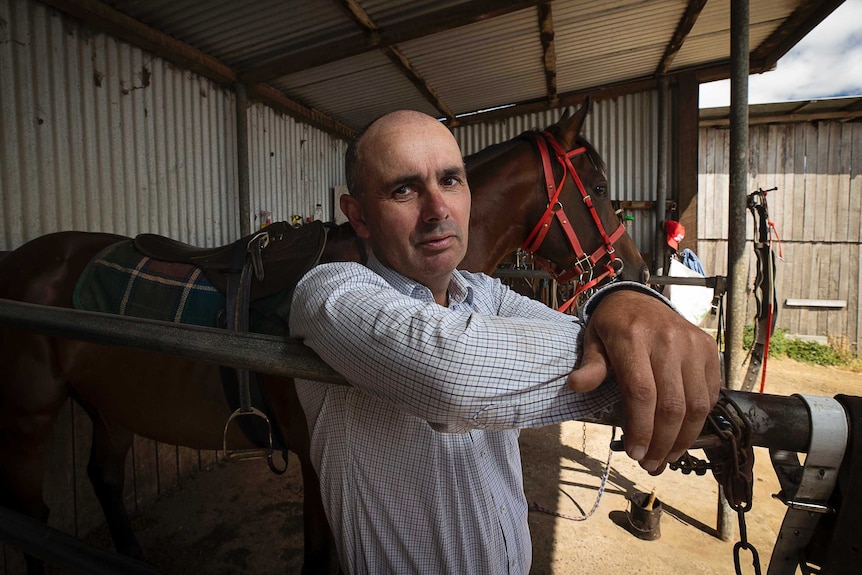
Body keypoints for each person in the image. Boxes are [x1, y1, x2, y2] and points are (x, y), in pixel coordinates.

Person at [290, 110, 721, 574]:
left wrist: (615, 302)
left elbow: (583, 336)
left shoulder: (487, 293)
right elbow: (450, 373)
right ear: (358, 216)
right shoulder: (328, 291)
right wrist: (636, 356)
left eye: (451, 181)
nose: (438, 210)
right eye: (404, 189)